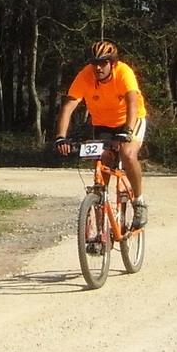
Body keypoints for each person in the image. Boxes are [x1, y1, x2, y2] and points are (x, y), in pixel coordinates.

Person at [54, 40, 149, 228]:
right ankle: (99, 220)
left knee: (128, 154)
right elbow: (68, 106)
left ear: (112, 63)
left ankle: (139, 202)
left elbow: (132, 102)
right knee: (102, 161)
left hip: (130, 120)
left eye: (103, 63)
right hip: (103, 124)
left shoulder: (124, 72)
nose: (98, 68)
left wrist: (127, 131)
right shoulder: (85, 76)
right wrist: (60, 137)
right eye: (94, 63)